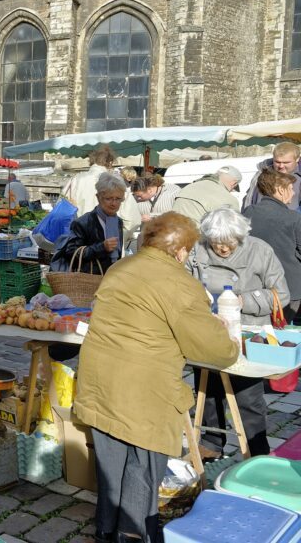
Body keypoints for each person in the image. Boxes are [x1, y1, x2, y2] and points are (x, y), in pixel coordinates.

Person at [75, 212, 239, 543]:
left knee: (111, 470)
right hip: (143, 393)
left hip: (100, 380)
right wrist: (229, 340)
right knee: (142, 472)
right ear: (180, 251)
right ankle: (134, 536)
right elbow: (216, 350)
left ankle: (106, 532)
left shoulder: (121, 267)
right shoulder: (178, 282)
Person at [188, 208, 289, 458]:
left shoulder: (260, 250)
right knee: (209, 391)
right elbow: (186, 287)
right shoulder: (196, 250)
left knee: (248, 397)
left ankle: (257, 450)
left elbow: (281, 294)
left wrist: (244, 300)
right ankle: (212, 443)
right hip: (210, 331)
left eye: (229, 243)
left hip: (248, 333)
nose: (223, 249)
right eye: (217, 243)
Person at [244, 169, 301, 323]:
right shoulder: (293, 218)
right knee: (279, 332)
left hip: (254, 285)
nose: (293, 193)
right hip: (288, 288)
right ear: (280, 190)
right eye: (290, 189)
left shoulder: (248, 212)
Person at [62, 144, 141, 250]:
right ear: (110, 162)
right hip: (109, 243)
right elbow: (133, 220)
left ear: (91, 161)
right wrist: (119, 235)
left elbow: (62, 210)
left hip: (79, 241)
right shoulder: (116, 183)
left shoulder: (75, 180)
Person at [52, 172, 127, 275]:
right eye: (109, 198)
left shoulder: (118, 221)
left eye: (118, 199)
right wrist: (101, 247)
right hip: (88, 281)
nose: (114, 203)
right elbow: (71, 253)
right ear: (98, 197)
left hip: (110, 279)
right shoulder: (83, 222)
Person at [172, 165, 242, 224]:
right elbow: (233, 230)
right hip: (198, 238)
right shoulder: (228, 199)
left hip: (173, 235)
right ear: (234, 183)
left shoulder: (188, 187)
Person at [242, 142, 301, 210]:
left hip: (294, 219)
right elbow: (249, 199)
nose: (281, 166)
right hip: (261, 217)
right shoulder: (262, 173)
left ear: (297, 159)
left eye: (286, 162)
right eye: (277, 162)